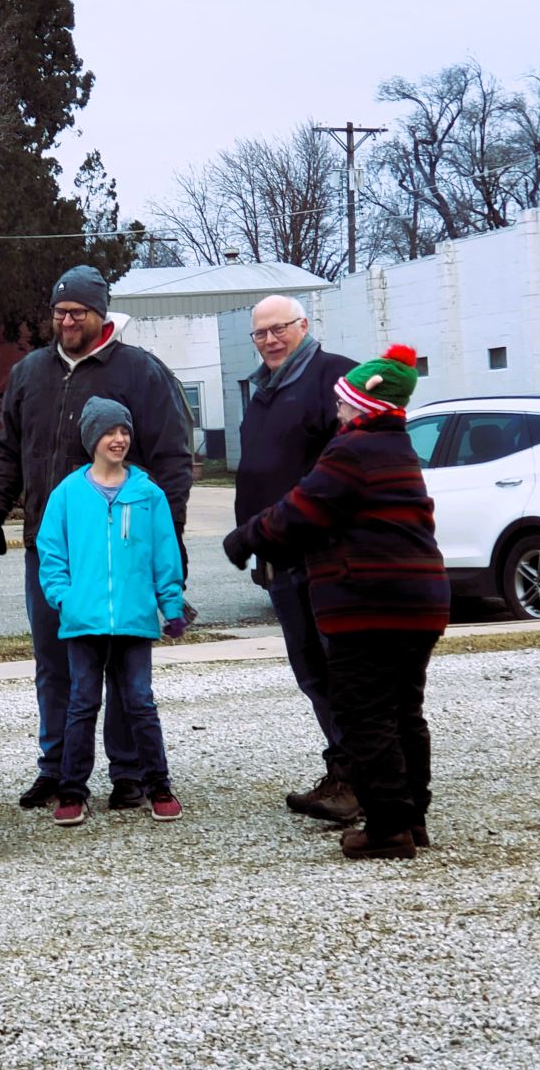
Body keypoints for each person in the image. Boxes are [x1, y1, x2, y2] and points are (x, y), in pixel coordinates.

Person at [0, 264, 193, 812]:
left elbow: (170, 456)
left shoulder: (140, 372)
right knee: (55, 665)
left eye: (77, 312)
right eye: (59, 312)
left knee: (123, 666)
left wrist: (172, 532)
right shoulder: (29, 372)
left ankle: (128, 773)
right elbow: (8, 449)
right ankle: (57, 769)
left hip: (123, 552)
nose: (67, 320)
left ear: (101, 314)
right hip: (51, 550)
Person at [223, 346, 449, 859]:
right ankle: (411, 819)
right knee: (403, 712)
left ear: (364, 407)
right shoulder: (398, 450)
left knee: (365, 714)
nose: (337, 412)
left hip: (369, 602)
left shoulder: (352, 451)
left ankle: (388, 827)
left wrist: (245, 538)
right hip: (421, 601)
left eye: (344, 404)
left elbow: (301, 508)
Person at [233, 295, 359, 823]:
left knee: (342, 669)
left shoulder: (337, 379)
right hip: (279, 557)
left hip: (328, 559)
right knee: (310, 672)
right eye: (260, 334)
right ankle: (340, 767)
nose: (269, 340)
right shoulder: (263, 390)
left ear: (304, 326)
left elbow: (346, 473)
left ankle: (361, 779)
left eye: (279, 329)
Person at [36, 398, 188, 826]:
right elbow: (51, 553)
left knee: (140, 702)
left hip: (134, 620)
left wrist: (170, 605)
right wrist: (63, 597)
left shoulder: (147, 494)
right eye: (109, 432)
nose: (118, 439)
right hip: (82, 621)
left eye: (123, 431)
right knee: (82, 703)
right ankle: (72, 790)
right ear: (91, 439)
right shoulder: (67, 495)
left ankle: (157, 784)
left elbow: (164, 555)